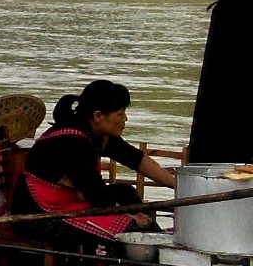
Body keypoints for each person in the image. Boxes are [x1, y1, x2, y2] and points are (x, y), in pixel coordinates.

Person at [15, 80, 175, 251]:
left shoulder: (96, 132)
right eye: (120, 114)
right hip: (38, 217)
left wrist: (176, 184)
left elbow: (135, 159)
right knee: (131, 230)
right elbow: (98, 196)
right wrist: (134, 217)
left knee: (125, 192)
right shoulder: (72, 142)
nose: (125, 119)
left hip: (66, 203)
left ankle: (157, 241)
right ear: (99, 116)